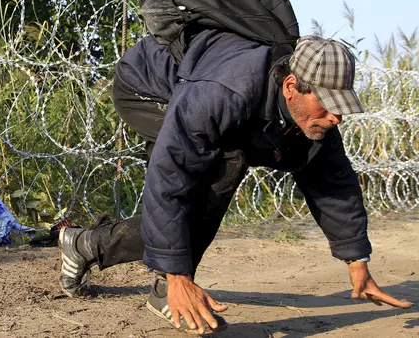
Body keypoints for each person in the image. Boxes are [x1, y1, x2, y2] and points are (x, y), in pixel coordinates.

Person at [58, 31, 412, 334]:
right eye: (329, 105)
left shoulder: (316, 120)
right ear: (292, 86)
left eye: (342, 105)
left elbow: (333, 181)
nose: (336, 116)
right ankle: (168, 287)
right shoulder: (225, 92)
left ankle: (87, 244)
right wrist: (177, 275)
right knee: (221, 167)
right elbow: (170, 176)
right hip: (147, 86)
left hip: (205, 91)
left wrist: (356, 261)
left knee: (230, 163)